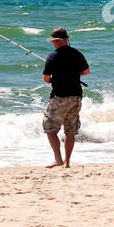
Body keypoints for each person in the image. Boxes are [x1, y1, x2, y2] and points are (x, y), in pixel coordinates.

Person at [41, 27, 89, 168]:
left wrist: (54, 80)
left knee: (50, 129)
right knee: (70, 131)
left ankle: (58, 159)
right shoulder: (77, 54)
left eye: (53, 41)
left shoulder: (52, 56)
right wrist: (72, 74)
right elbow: (86, 71)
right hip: (76, 97)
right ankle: (67, 162)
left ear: (56, 41)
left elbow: (46, 78)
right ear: (67, 39)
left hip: (59, 97)